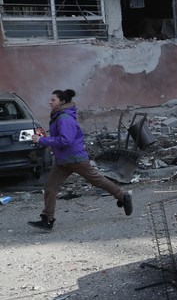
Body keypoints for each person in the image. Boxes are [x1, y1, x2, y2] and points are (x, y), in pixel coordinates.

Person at [29, 89, 132, 231]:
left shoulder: (64, 118)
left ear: (62, 102)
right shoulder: (59, 116)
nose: (49, 102)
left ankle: (123, 196)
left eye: (53, 100)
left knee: (97, 180)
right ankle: (47, 219)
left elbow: (66, 140)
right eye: (50, 100)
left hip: (75, 159)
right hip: (63, 160)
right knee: (50, 187)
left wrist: (42, 140)